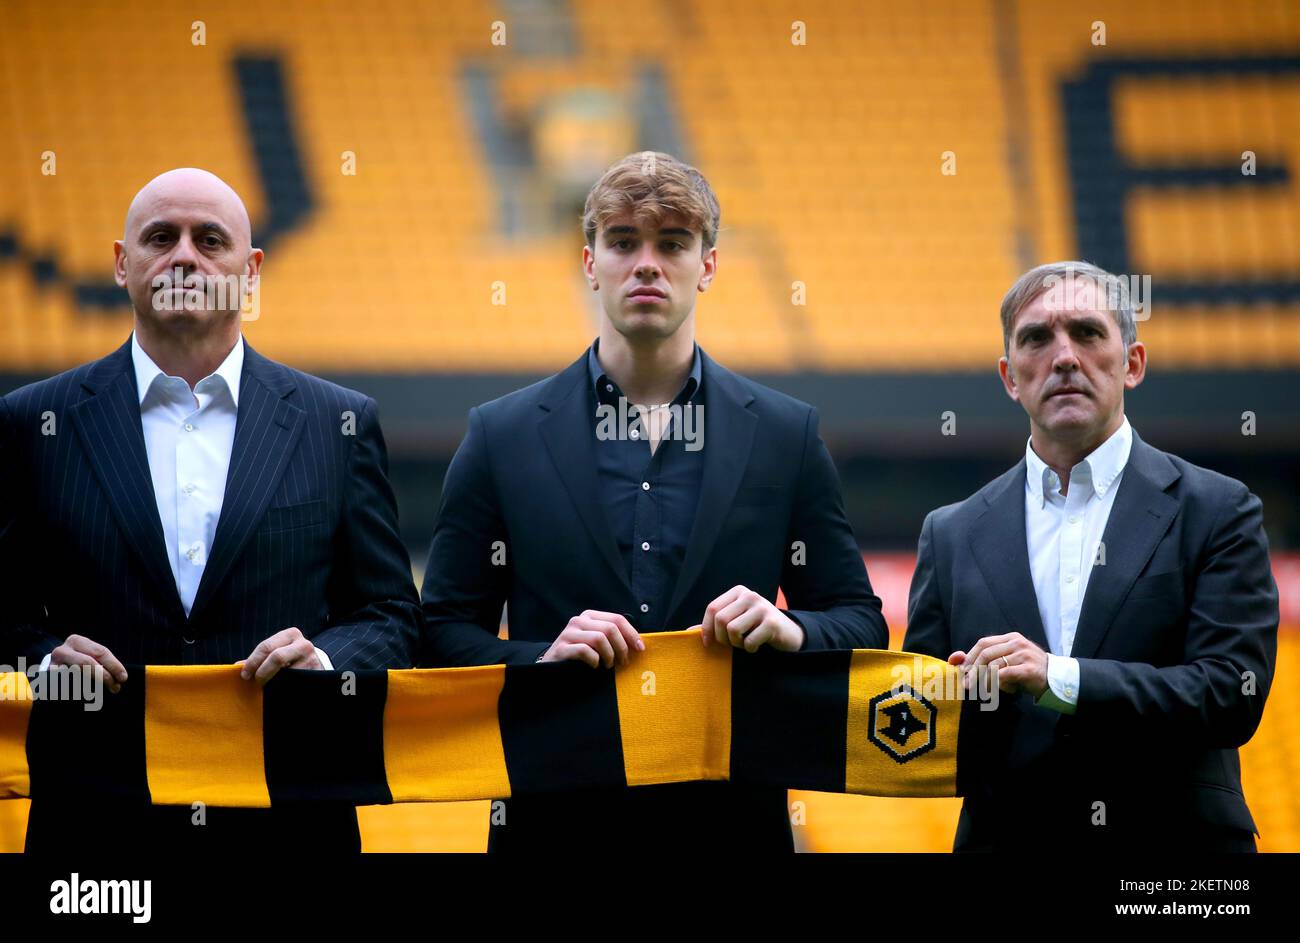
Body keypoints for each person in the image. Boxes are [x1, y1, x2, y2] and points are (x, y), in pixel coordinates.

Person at [419, 151, 887, 852]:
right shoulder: (500, 435)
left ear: (708, 265)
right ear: (589, 261)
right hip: (554, 822)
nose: (647, 263)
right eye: (624, 241)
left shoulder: (788, 435)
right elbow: (440, 634)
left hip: (732, 823)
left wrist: (789, 630)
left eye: (671, 243)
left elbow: (861, 622)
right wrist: (541, 659)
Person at [0, 168, 420, 852]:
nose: (184, 256)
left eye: (210, 239)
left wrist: (321, 658)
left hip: (288, 820)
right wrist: (42, 662)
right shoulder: (32, 422)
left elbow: (393, 616)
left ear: (250, 270)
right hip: (95, 825)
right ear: (121, 263)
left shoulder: (336, 422)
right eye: (161, 237)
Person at [904, 260, 1279, 852]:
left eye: (1087, 332)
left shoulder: (1219, 510)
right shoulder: (949, 533)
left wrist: (1058, 677)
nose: (1064, 357)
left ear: (1132, 364)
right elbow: (923, 721)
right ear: (1010, 376)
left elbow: (1233, 695)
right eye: (1036, 338)